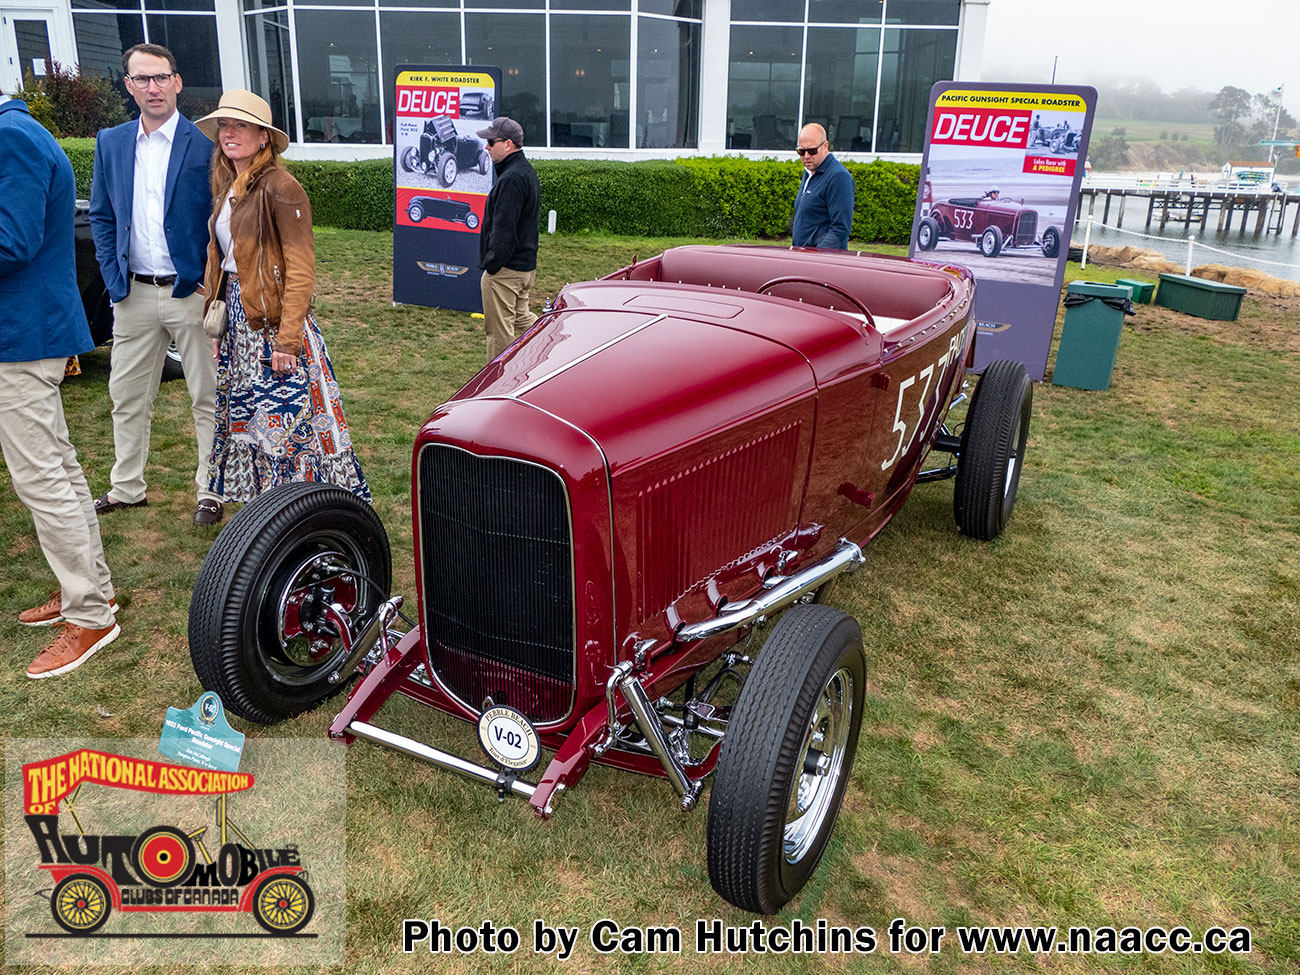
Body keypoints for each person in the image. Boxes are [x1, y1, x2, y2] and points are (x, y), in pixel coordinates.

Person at [197, 90, 370, 503]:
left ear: (263, 138)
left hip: (274, 323)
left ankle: (301, 507)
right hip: (240, 321)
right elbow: (223, 260)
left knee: (291, 425)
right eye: (224, 125)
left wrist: (288, 339)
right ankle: (264, 511)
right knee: (249, 419)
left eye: (240, 125)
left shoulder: (281, 186)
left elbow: (301, 270)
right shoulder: (228, 185)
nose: (229, 133)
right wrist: (217, 318)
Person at [0, 95, 120, 678]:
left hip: (22, 336)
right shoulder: (19, 131)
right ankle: (90, 591)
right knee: (58, 471)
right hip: (27, 333)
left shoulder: (13, 137)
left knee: (42, 478)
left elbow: (12, 243)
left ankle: (90, 612)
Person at [89, 43, 221, 525]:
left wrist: (213, 283)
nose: (152, 87)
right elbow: (102, 215)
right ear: (128, 86)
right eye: (141, 79)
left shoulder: (205, 145)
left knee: (208, 396)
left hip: (192, 294)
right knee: (126, 395)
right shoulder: (112, 142)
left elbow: (220, 220)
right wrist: (112, 276)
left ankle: (212, 487)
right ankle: (126, 487)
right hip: (134, 294)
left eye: (160, 77)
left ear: (177, 82)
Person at [475, 116, 540, 361]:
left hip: (506, 271)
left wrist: (492, 266)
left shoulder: (512, 178)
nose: (487, 147)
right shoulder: (524, 172)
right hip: (523, 268)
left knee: (499, 334)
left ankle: (497, 386)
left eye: (492, 142)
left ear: (509, 144)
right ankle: (552, 350)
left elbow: (504, 230)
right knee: (524, 319)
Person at [791, 123, 854, 250]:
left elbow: (840, 229)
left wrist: (818, 256)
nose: (806, 156)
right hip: (802, 257)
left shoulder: (838, 177)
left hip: (822, 261)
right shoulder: (810, 172)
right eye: (801, 151)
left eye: (812, 151)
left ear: (825, 146)